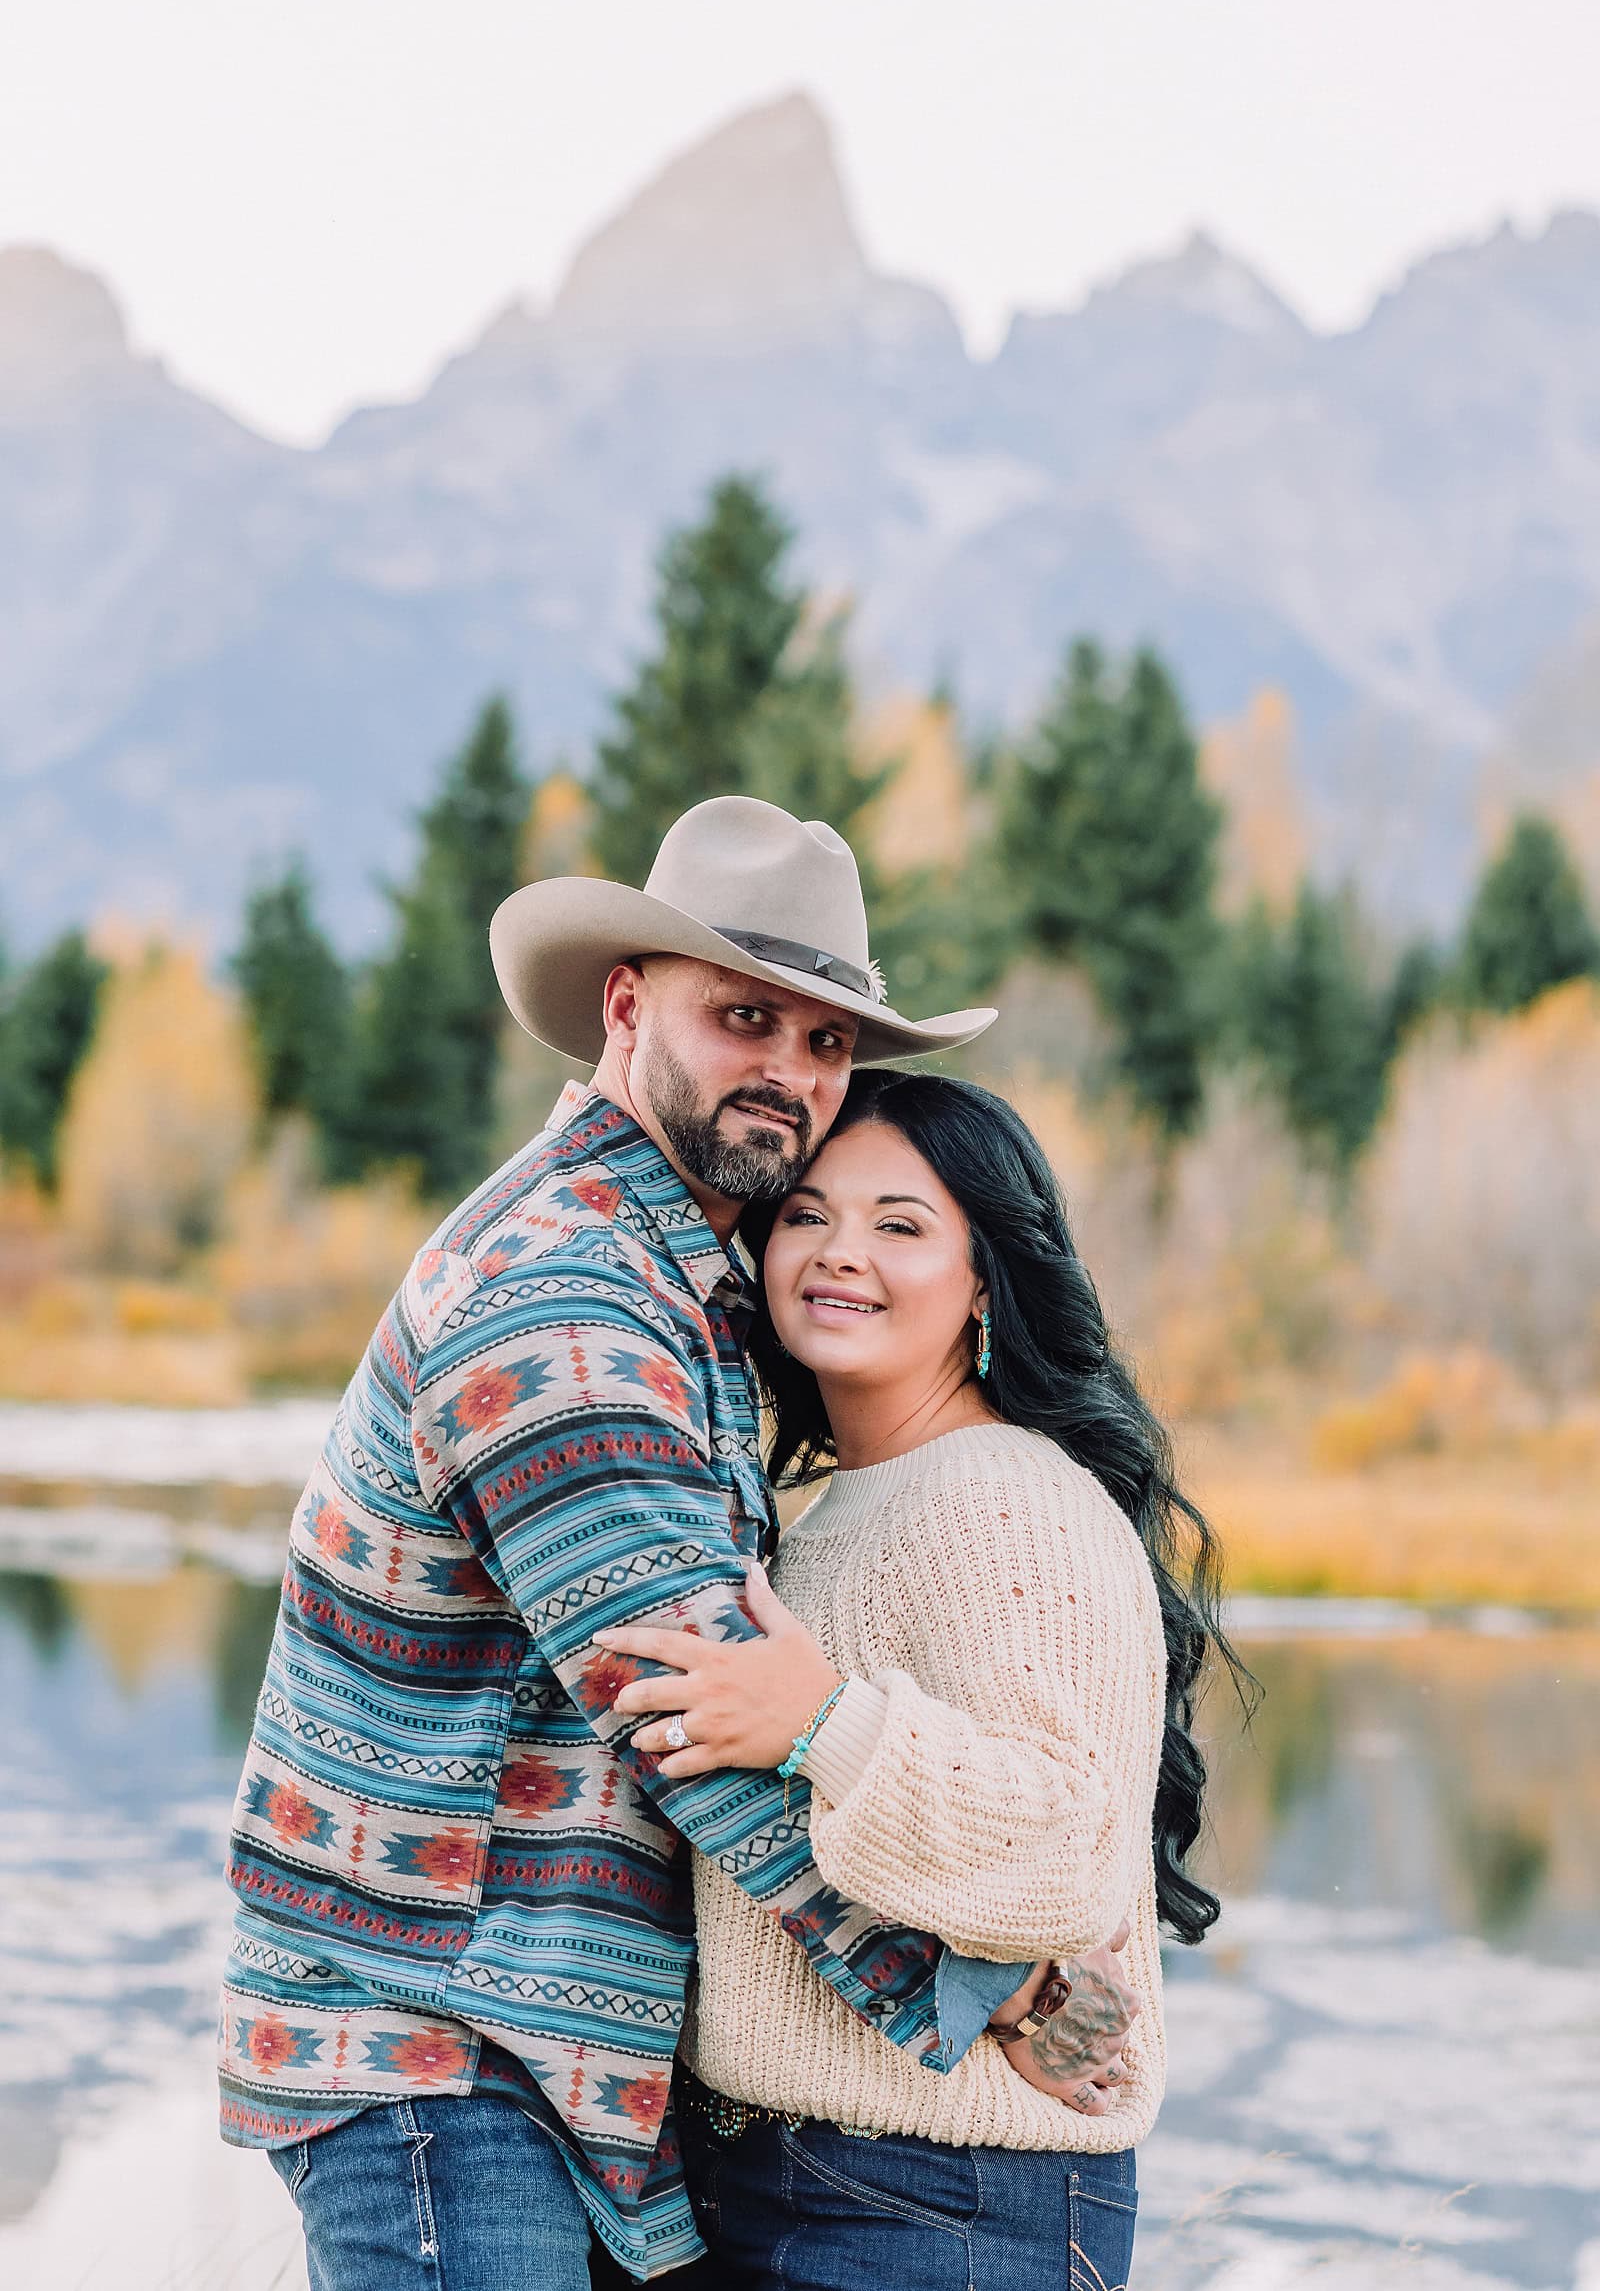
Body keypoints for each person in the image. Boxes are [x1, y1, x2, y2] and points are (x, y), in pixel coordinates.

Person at [219, 796, 1130, 2291]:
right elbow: (691, 1714)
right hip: (441, 2054)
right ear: (628, 1006)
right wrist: (1000, 1981)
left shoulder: (682, 1283)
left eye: (829, 1042)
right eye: (747, 1018)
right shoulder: (569, 1304)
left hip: (541, 2050)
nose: (791, 1072)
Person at [600, 1066, 1237, 2289]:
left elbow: (1067, 1852)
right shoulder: (815, 1509)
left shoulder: (1008, 1499)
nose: (842, 1254)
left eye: (900, 1225)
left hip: (939, 2206)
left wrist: (826, 1729)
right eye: (807, 1215)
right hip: (762, 2178)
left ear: (984, 1279)